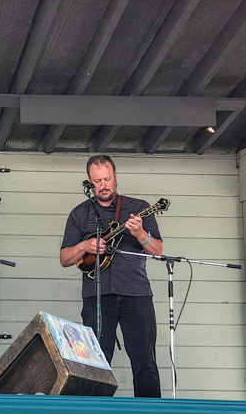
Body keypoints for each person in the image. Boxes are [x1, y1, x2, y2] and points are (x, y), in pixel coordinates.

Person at [59, 155, 162, 398]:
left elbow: (157, 250)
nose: (103, 185)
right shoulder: (80, 213)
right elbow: (64, 259)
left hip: (136, 294)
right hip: (97, 296)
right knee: (94, 365)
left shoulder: (138, 208)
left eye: (107, 179)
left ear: (116, 177)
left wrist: (140, 233)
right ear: (89, 182)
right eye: (97, 181)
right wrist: (85, 245)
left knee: (145, 362)